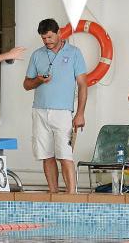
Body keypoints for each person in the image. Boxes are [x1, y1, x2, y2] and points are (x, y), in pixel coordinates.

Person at [23, 18, 87, 194]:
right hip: (40, 111)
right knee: (46, 155)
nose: (47, 41)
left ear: (59, 33)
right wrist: (38, 80)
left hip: (63, 112)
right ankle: (53, 194)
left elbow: (83, 84)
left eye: (50, 37)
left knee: (65, 156)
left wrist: (80, 113)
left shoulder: (74, 53)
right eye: (44, 38)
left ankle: (71, 196)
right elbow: (26, 85)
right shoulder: (37, 54)